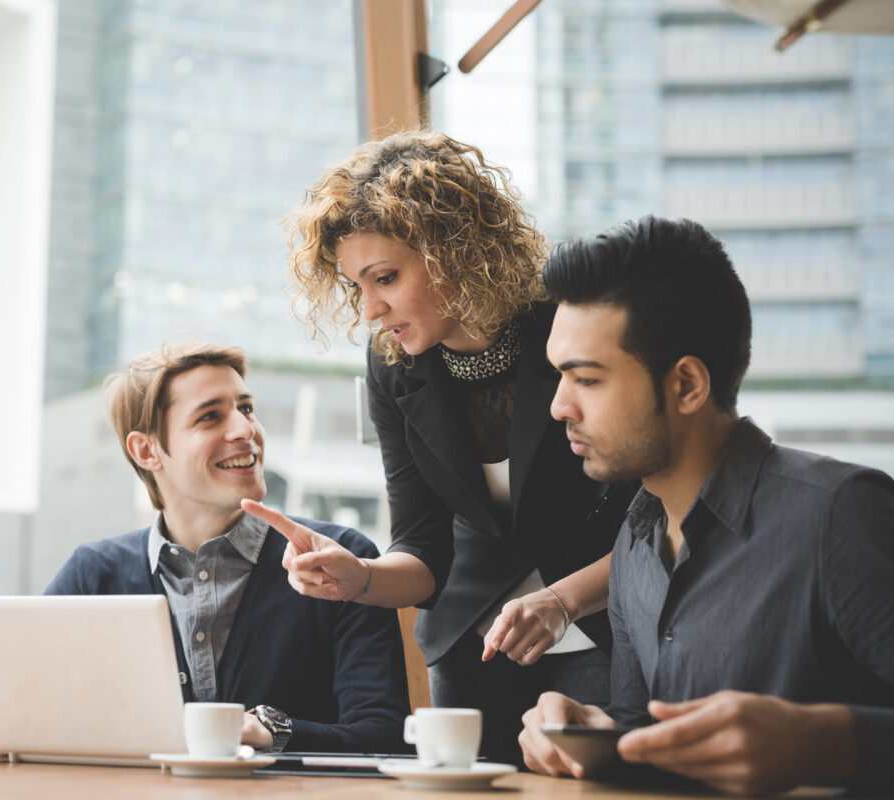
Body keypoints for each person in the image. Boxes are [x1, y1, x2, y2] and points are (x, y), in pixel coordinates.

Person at [244, 131, 637, 764]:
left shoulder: (566, 319)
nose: (371, 309)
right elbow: (424, 546)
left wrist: (565, 599)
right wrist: (361, 578)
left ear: (454, 249)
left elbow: (660, 518)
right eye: (357, 288)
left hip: (606, 624)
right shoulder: (394, 366)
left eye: (387, 278)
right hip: (473, 643)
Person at [517, 215, 894, 795]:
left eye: (587, 380)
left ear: (686, 385)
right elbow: (647, 735)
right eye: (560, 377)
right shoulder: (635, 542)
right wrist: (595, 733)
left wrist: (829, 742)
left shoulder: (841, 517)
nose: (559, 407)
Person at [45, 340, 411, 754]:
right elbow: (6, 726)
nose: (245, 430)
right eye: (210, 416)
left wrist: (274, 732)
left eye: (247, 409)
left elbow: (385, 736)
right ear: (146, 450)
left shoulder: (340, 558)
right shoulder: (92, 575)